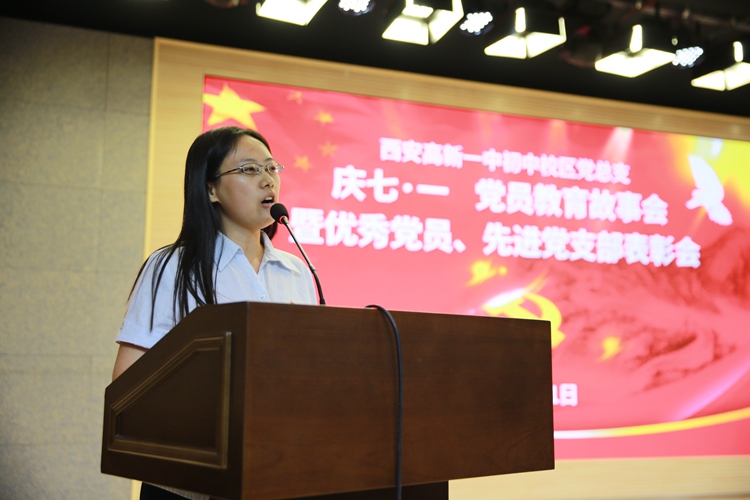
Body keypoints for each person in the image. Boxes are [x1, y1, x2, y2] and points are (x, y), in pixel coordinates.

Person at [111, 126, 318, 499]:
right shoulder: (172, 267)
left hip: (271, 475)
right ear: (210, 190)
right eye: (250, 169)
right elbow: (129, 382)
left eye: (271, 168)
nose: (268, 180)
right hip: (185, 484)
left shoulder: (297, 271)